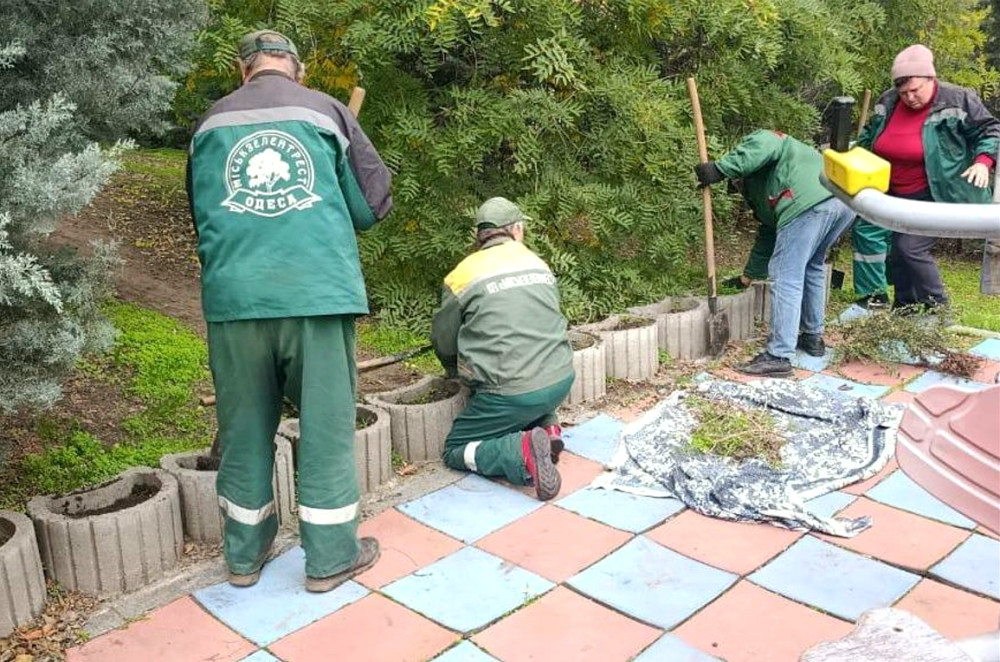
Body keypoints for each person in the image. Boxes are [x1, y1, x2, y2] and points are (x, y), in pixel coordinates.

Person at [186, 30, 393, 592]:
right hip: (317, 298)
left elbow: (203, 213)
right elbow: (372, 207)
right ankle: (330, 558)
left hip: (235, 302)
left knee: (243, 429)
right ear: (297, 69)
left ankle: (244, 555)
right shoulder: (327, 113)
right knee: (324, 429)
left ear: (243, 69)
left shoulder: (209, 124)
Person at [431, 197, 574, 500]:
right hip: (561, 379)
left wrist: (453, 371)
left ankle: (522, 452)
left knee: (455, 449)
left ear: (478, 235)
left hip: (510, 393)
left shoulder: (462, 274)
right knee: (531, 383)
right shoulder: (538, 263)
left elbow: (444, 341)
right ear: (516, 229)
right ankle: (549, 430)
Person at [695, 130, 855, 377]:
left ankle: (779, 355)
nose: (738, 187)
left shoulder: (765, 140)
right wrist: (746, 278)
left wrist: (720, 168)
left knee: (785, 276)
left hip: (807, 200)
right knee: (812, 266)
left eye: (737, 182)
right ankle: (812, 338)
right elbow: (767, 236)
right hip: (842, 200)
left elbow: (767, 143)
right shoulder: (769, 188)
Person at [857, 44, 999, 312]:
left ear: (930, 79)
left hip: (939, 192)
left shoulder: (958, 99)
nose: (909, 97)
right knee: (898, 254)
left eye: (915, 90)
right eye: (903, 93)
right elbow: (869, 135)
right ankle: (905, 310)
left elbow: (990, 130)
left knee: (910, 248)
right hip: (895, 192)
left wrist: (983, 162)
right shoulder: (888, 101)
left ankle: (938, 308)